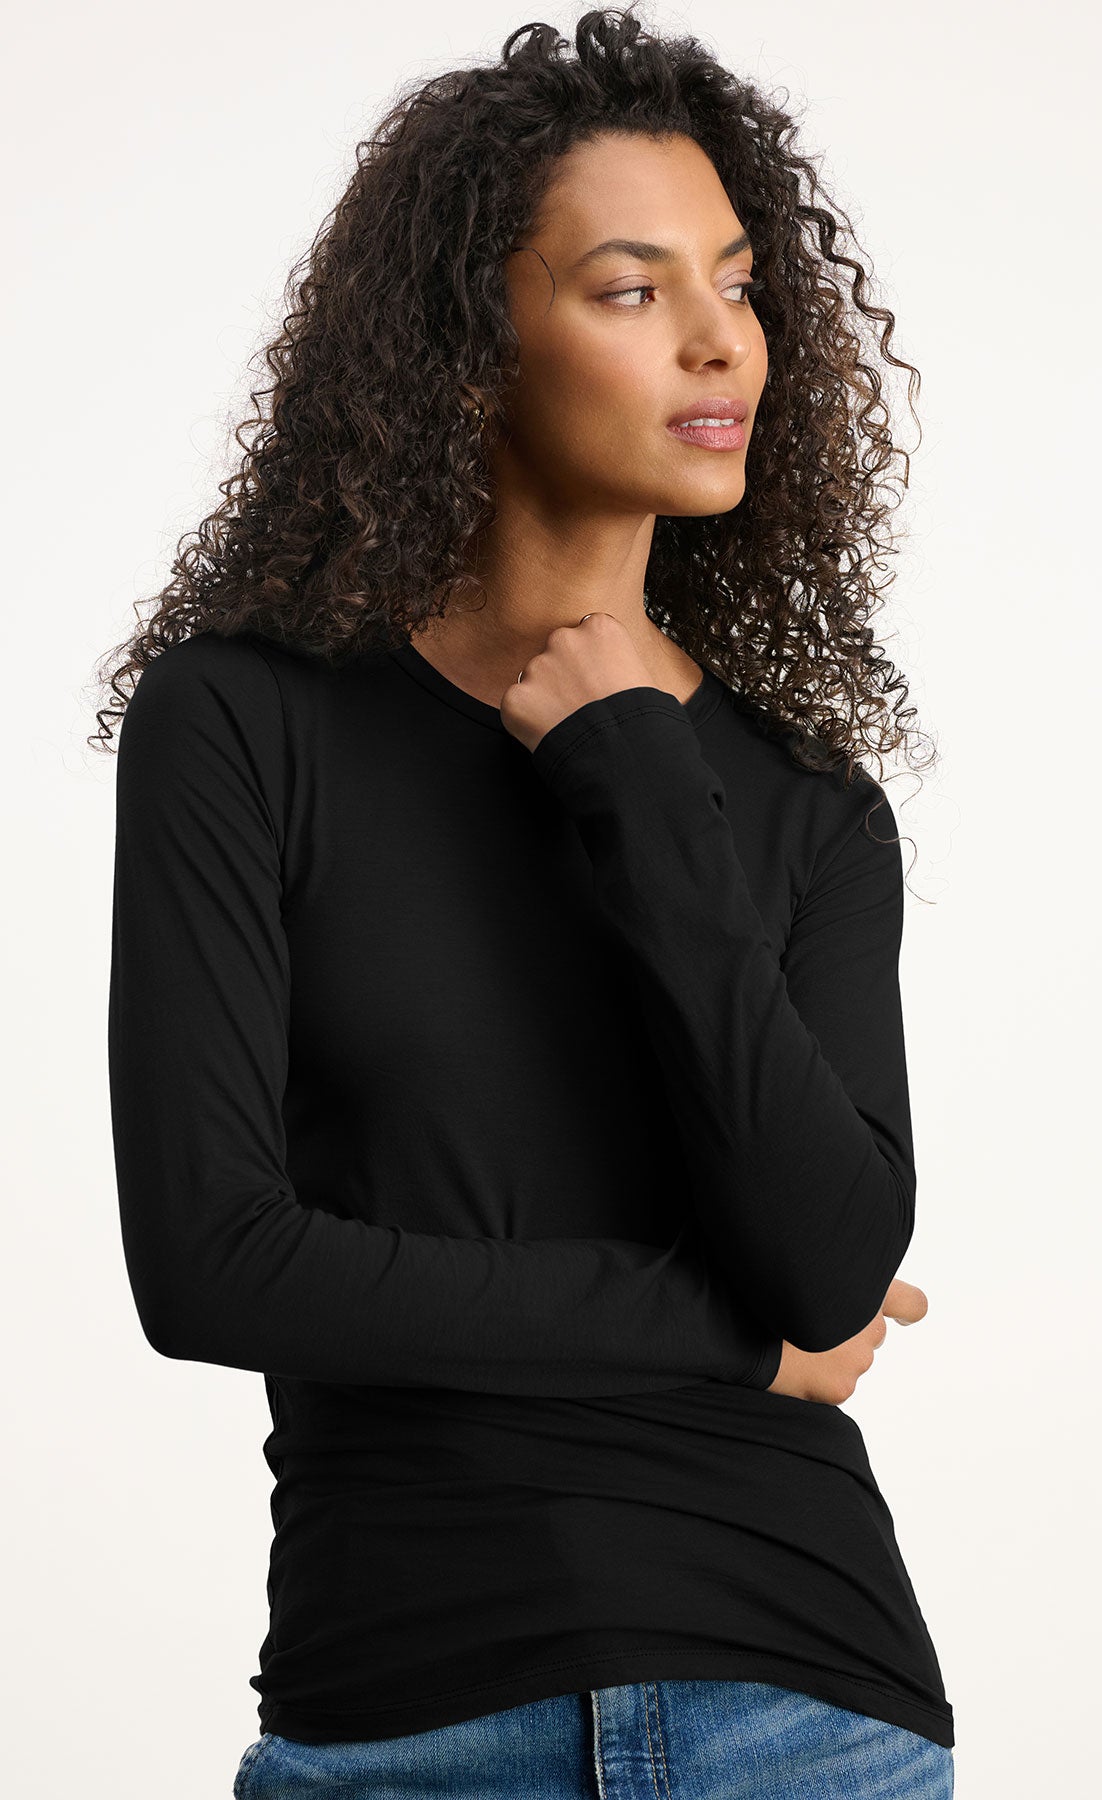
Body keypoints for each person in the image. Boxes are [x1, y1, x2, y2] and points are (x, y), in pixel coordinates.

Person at [95, 9, 954, 1796]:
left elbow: (832, 1252)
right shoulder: (244, 725)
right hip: (405, 1707)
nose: (725, 339)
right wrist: (738, 1340)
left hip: (801, 1705)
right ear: (472, 347)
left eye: (736, 279)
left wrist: (638, 771)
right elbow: (214, 1261)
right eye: (633, 290)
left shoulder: (804, 809)